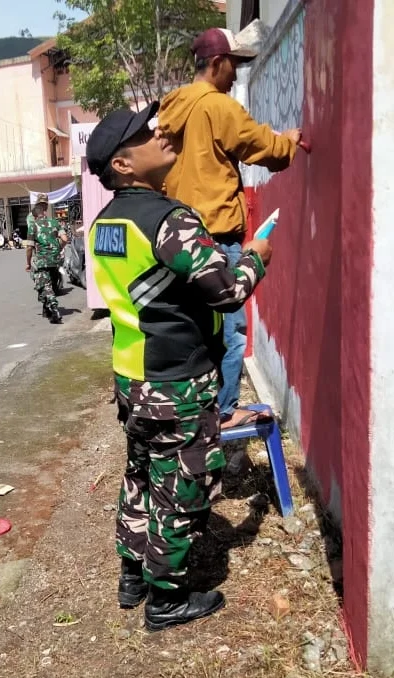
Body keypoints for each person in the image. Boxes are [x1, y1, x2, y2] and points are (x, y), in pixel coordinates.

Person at [86, 102, 273, 631]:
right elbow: (227, 293)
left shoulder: (105, 224)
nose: (160, 134)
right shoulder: (168, 220)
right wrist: (257, 256)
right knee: (183, 487)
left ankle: (132, 574)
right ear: (122, 164)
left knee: (142, 474)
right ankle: (166, 598)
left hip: (133, 376)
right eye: (145, 135)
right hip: (176, 381)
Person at [159, 27, 301, 429]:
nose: (236, 75)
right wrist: (289, 141)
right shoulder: (217, 106)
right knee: (233, 329)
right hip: (218, 238)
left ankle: (201, 406)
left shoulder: (173, 108)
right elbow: (265, 149)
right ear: (217, 63)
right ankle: (223, 412)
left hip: (179, 237)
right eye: (233, 65)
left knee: (198, 328)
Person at [24, 194, 68, 324]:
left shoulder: (33, 225)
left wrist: (28, 263)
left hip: (42, 261)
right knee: (50, 284)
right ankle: (46, 308)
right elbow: (65, 239)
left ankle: (54, 310)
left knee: (44, 285)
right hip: (55, 260)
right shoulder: (55, 222)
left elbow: (29, 247)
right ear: (46, 208)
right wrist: (57, 249)